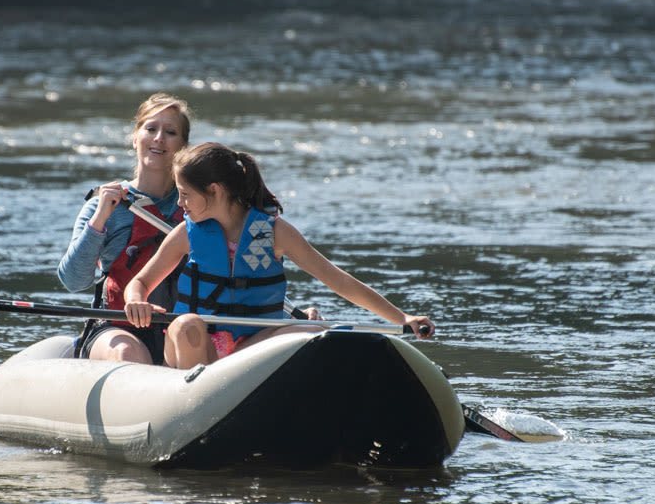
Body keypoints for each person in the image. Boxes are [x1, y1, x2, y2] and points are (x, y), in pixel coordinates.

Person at [122, 142, 436, 369]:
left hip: (252, 348)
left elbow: (339, 281)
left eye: (186, 194)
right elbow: (141, 282)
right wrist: (136, 299)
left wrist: (402, 318)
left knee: (316, 331)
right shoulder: (187, 234)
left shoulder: (273, 232)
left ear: (214, 191)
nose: (180, 204)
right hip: (196, 347)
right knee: (185, 324)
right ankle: (198, 402)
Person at [57, 93, 192, 364]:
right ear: (135, 137)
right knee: (128, 353)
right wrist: (100, 219)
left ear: (183, 146)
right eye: (151, 129)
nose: (159, 139)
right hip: (115, 328)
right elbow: (73, 281)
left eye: (170, 132)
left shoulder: (196, 206)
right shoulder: (105, 204)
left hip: (178, 328)